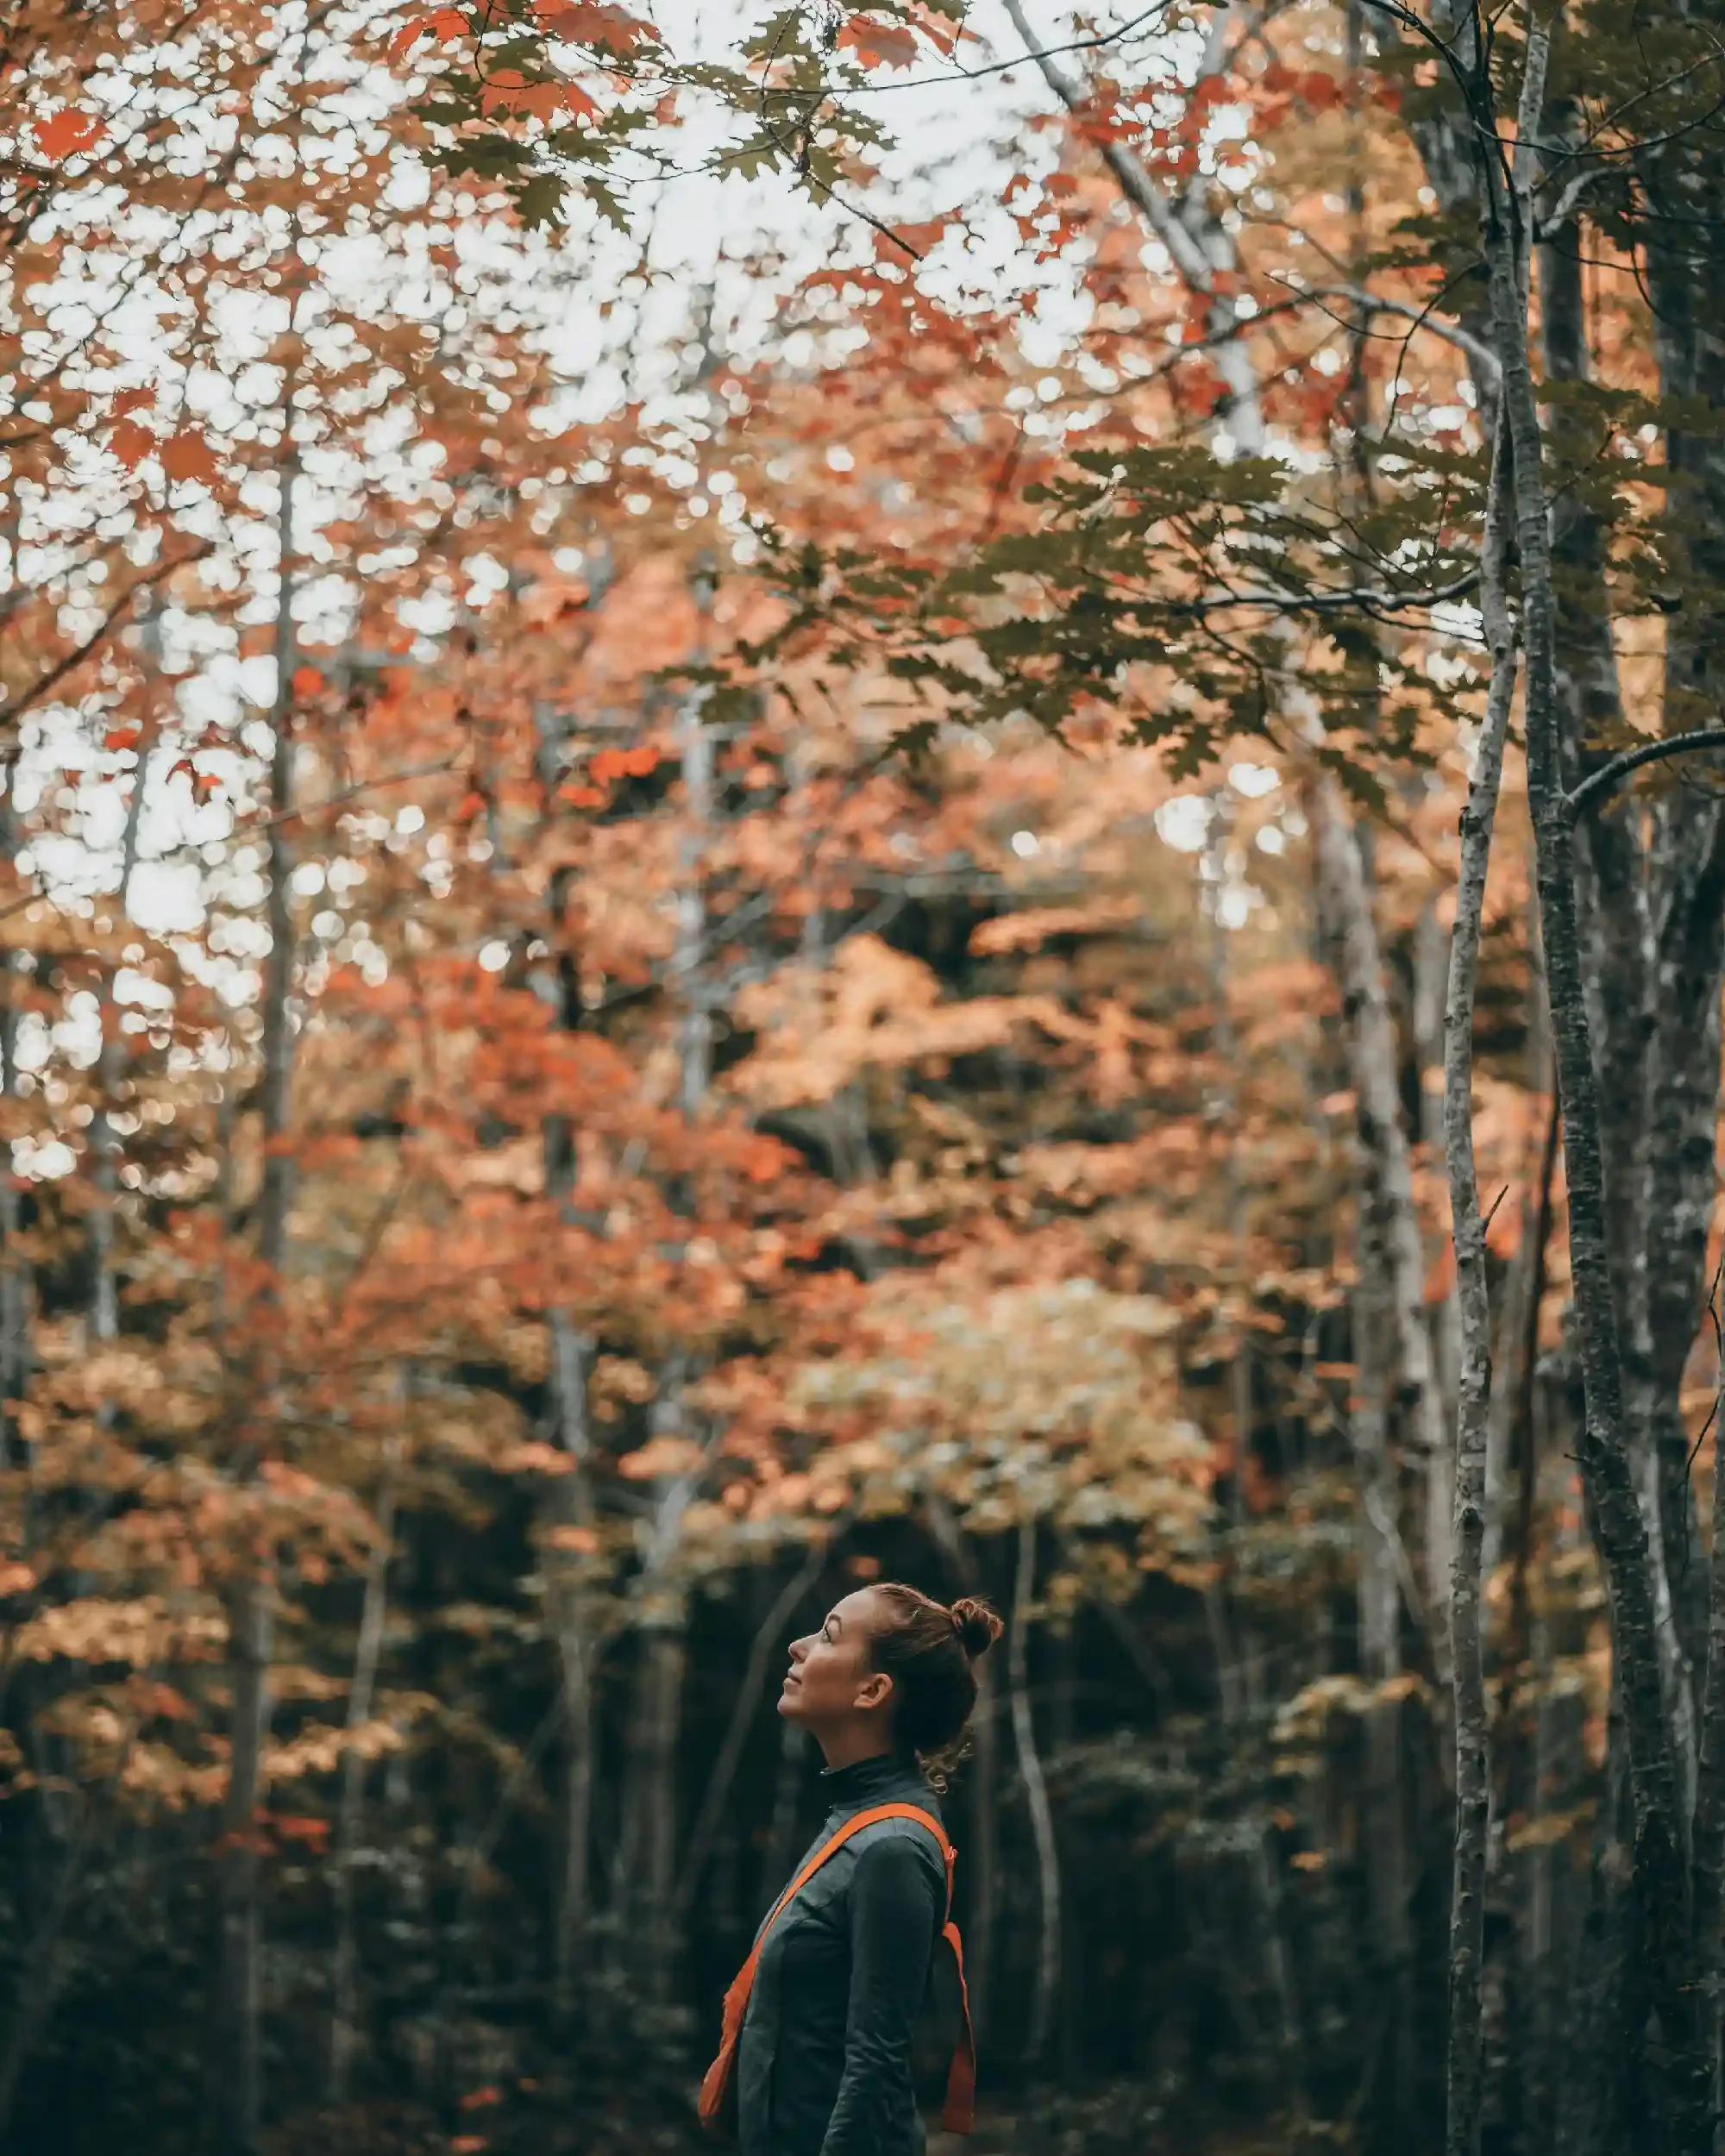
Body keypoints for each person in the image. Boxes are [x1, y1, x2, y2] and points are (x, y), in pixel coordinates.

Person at [729, 1581, 1003, 2156]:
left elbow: (875, 2067)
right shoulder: (855, 1823)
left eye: (827, 1636)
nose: (797, 1648)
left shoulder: (892, 1846)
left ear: (873, 1690)